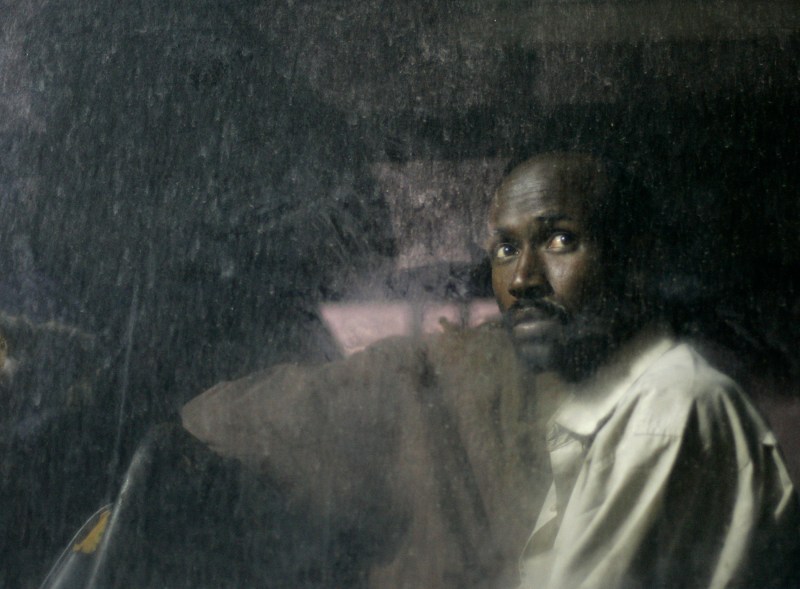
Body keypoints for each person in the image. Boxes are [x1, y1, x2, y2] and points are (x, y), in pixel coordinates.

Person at [44, 152, 799, 588]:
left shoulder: (698, 402)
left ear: (636, 266)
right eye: (504, 249)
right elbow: (214, 437)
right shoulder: (452, 378)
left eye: (560, 239)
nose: (525, 275)